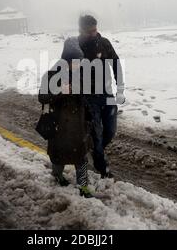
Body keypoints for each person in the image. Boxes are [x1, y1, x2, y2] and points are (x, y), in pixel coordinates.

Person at [38, 37, 94, 198]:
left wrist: (91, 118)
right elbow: (42, 97)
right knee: (58, 156)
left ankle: (83, 186)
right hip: (59, 125)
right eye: (74, 61)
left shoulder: (81, 74)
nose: (77, 65)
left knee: (81, 157)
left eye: (79, 61)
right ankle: (57, 175)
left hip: (79, 124)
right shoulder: (50, 75)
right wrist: (60, 92)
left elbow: (87, 97)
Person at [78, 15, 125, 179]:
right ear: (81, 30)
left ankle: (95, 150)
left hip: (107, 94)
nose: (93, 33)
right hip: (89, 98)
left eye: (95, 30)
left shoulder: (104, 43)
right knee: (97, 134)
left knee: (110, 131)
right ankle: (102, 167)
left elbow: (116, 64)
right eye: (89, 31)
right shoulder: (77, 47)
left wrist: (120, 88)